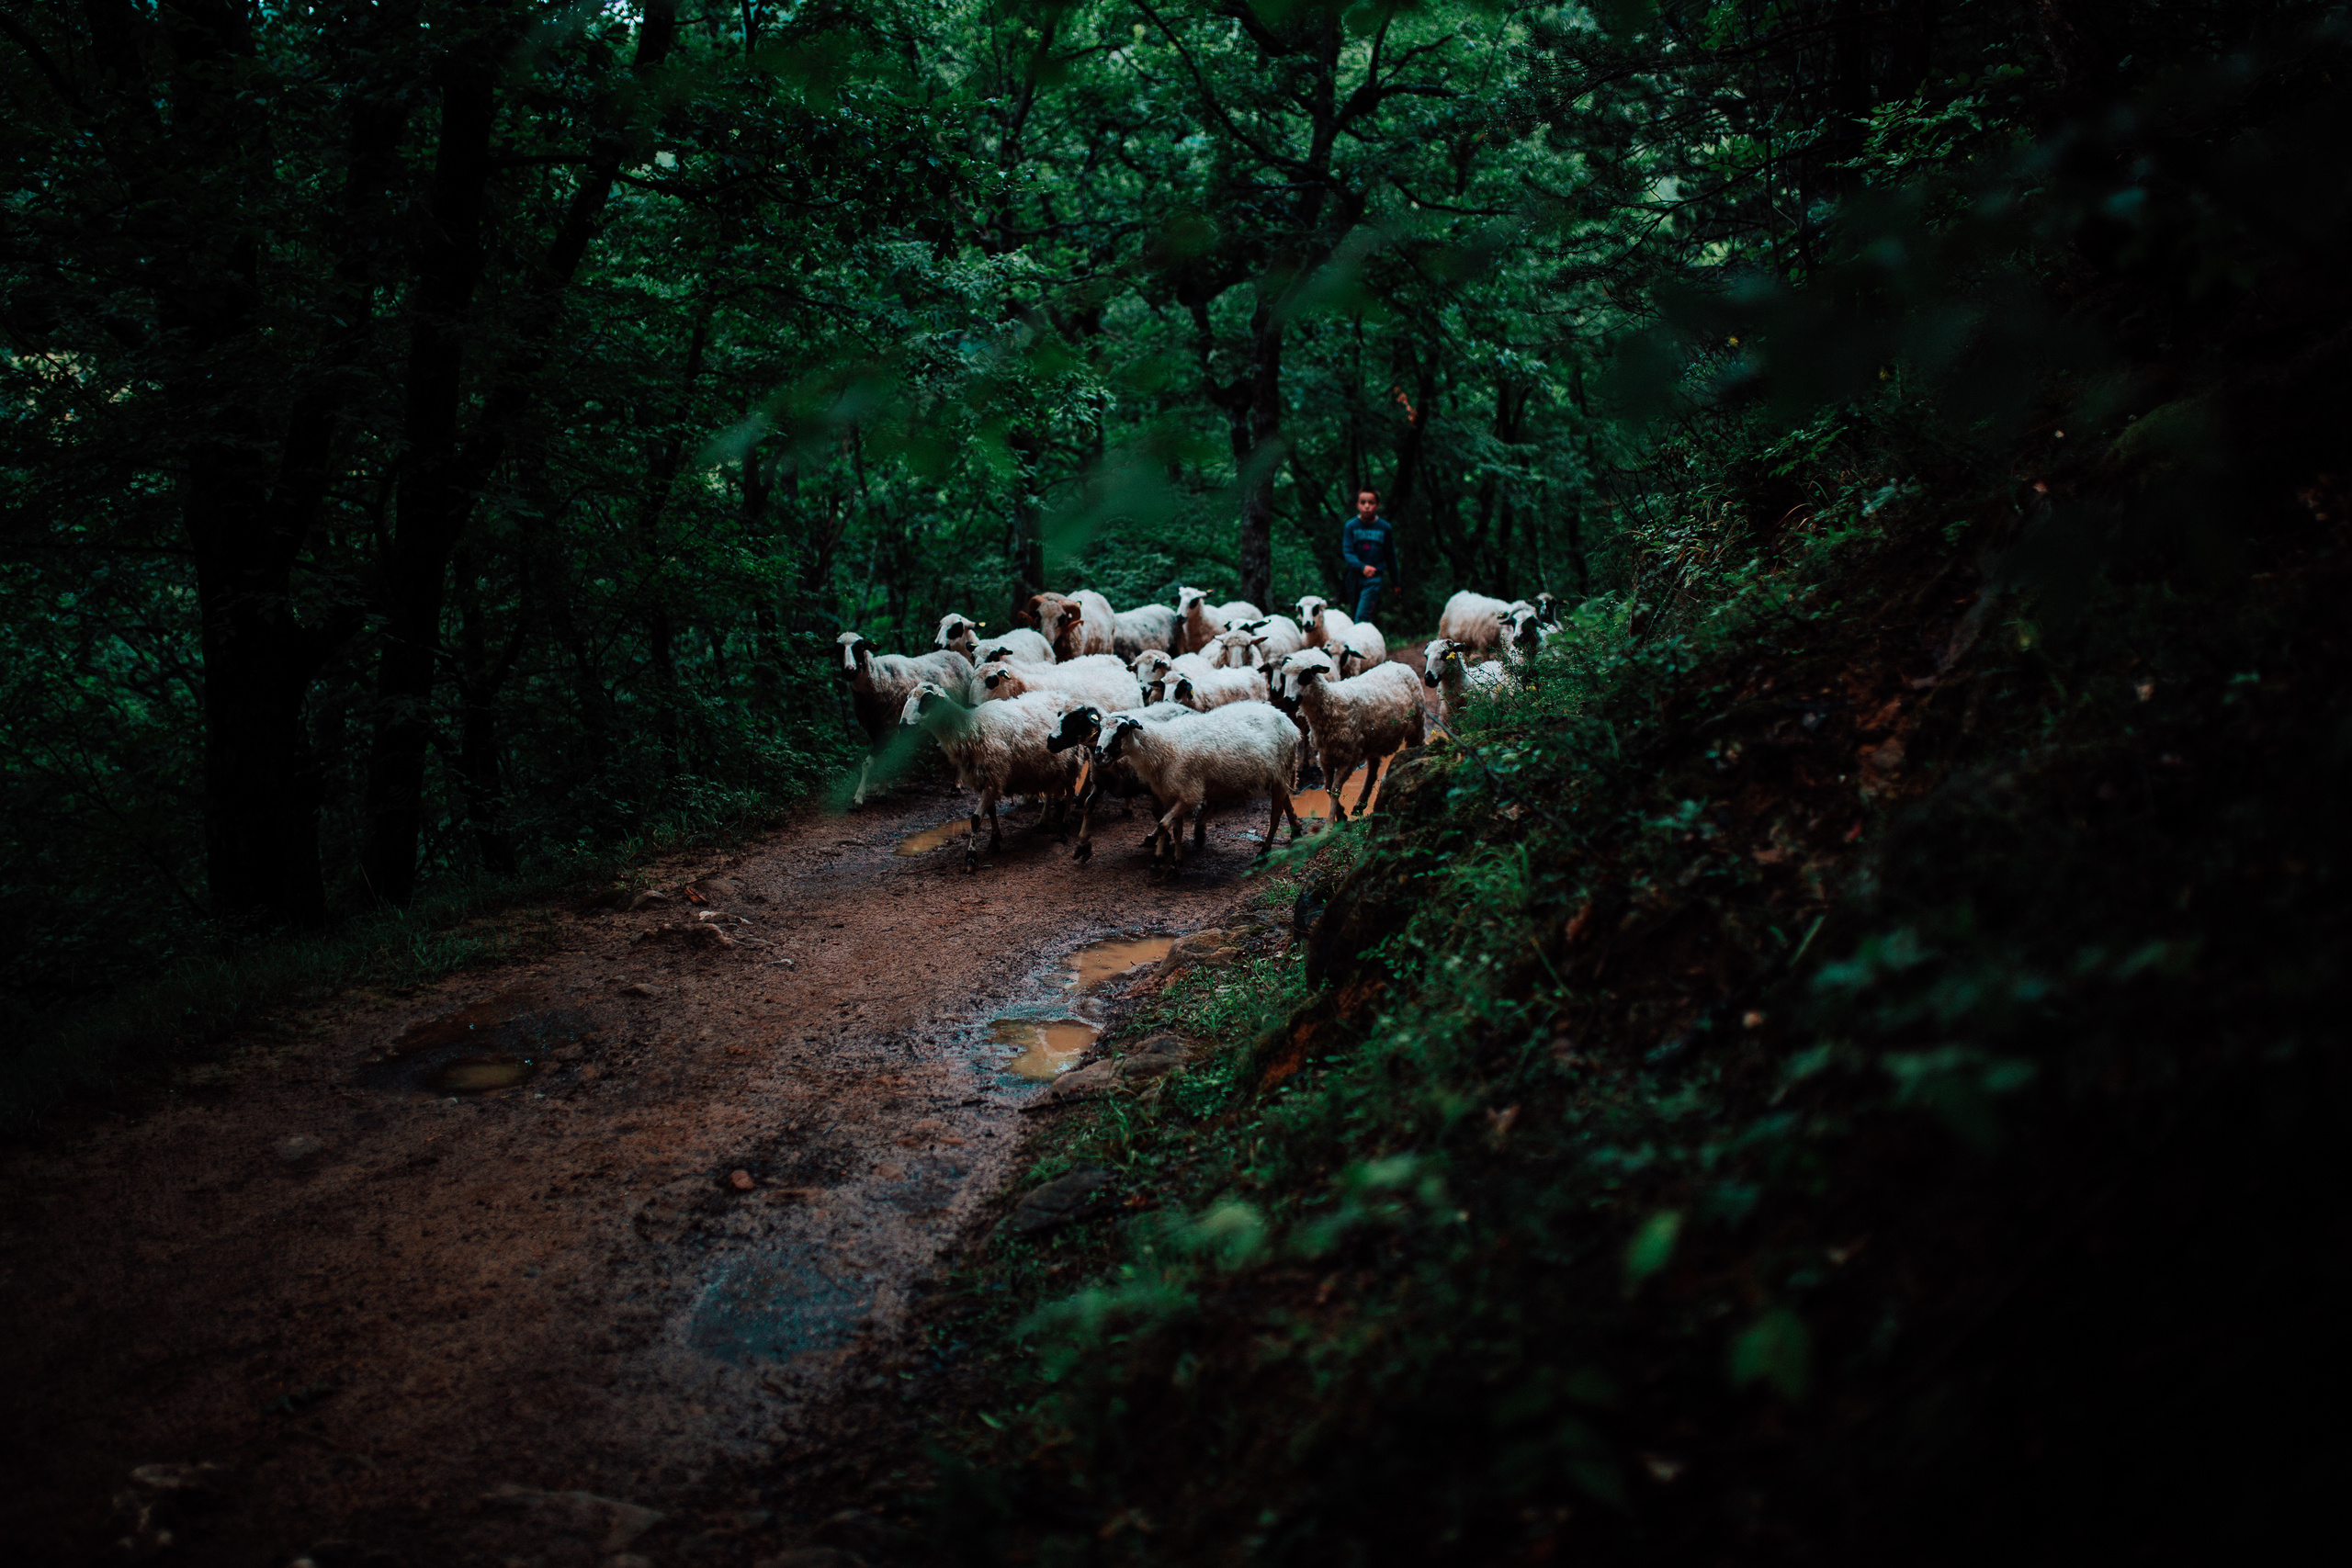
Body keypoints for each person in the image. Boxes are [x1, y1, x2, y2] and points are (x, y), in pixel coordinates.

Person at [1340, 487, 1397, 624]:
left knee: (1362, 616)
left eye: (1371, 502)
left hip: (1374, 579)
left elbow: (1391, 556)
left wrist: (1396, 582)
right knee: (1355, 617)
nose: (1367, 506)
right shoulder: (1351, 526)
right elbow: (1348, 553)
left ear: (1377, 505)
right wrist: (1362, 567)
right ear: (1357, 505)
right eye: (1363, 502)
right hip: (1354, 577)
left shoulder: (1384, 527)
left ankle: (1365, 643)